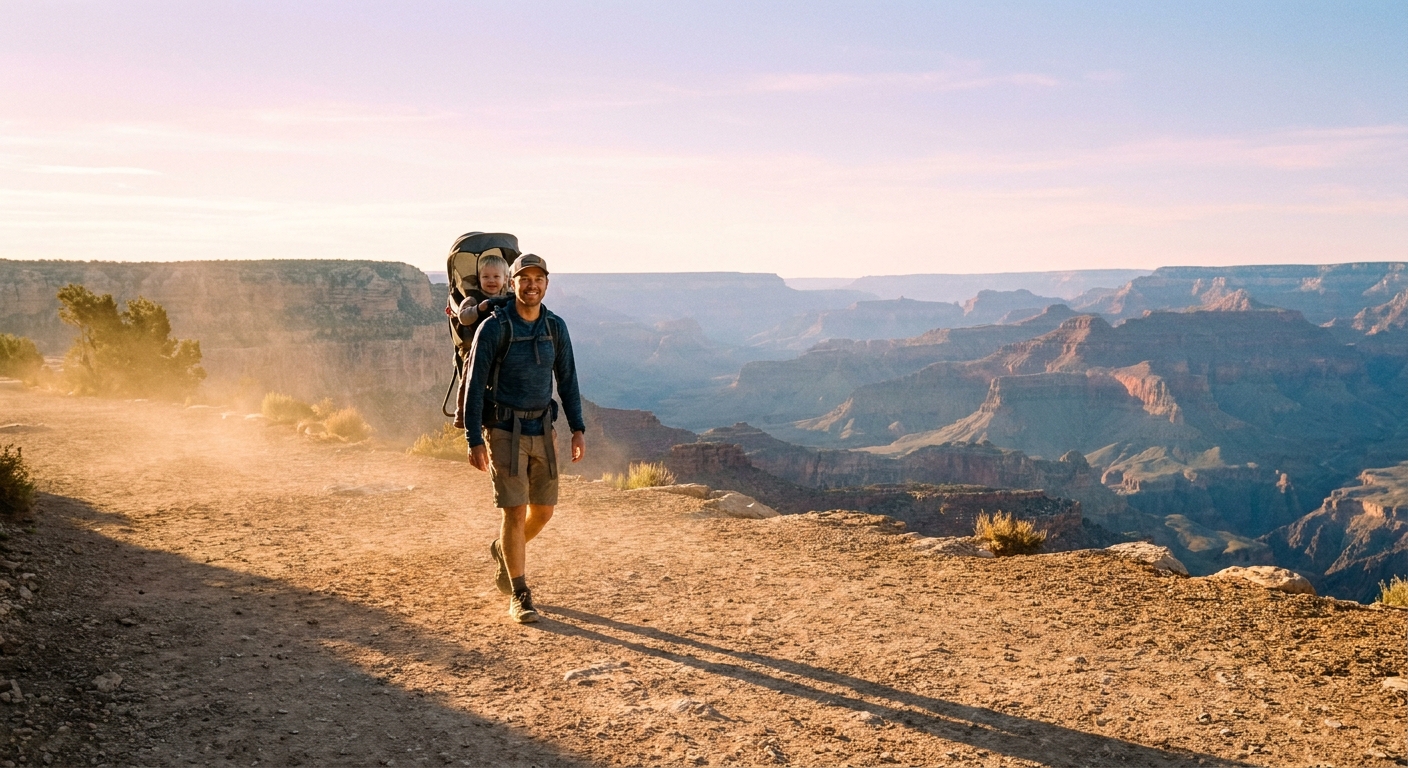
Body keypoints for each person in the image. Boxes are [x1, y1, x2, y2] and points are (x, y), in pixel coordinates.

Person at [462, 253, 586, 623]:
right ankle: (520, 593)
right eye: (524, 279)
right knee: (514, 511)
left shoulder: (555, 327)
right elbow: (473, 388)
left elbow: (567, 380)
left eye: (538, 279)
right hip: (503, 431)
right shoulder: (494, 327)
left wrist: (577, 428)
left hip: (542, 429)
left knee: (543, 512)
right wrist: (474, 438)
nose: (532, 285)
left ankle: (503, 549)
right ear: (512, 283)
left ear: (546, 284)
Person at [448, 254, 513, 429]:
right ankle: (462, 412)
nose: (491, 281)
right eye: (485, 277)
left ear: (506, 279)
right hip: (478, 346)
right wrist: (479, 308)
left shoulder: (510, 297)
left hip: (505, 344)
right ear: (479, 278)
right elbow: (464, 317)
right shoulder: (472, 297)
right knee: (470, 371)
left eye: (496, 277)